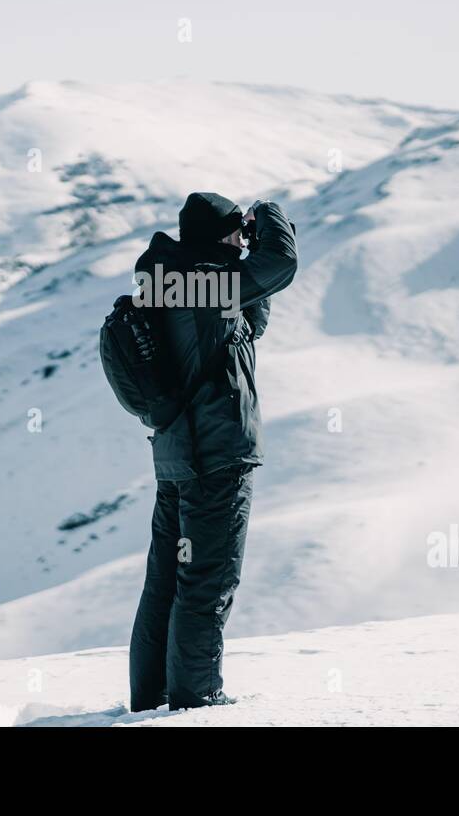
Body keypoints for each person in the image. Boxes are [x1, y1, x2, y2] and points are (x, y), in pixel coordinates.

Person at [128, 192, 298, 711]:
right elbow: (282, 264)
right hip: (215, 457)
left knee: (166, 582)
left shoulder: (172, 279)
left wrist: (238, 253)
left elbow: (250, 330)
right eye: (233, 232)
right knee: (206, 581)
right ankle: (195, 702)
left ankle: (151, 699)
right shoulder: (206, 284)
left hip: (179, 458)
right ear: (216, 236)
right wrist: (269, 214)